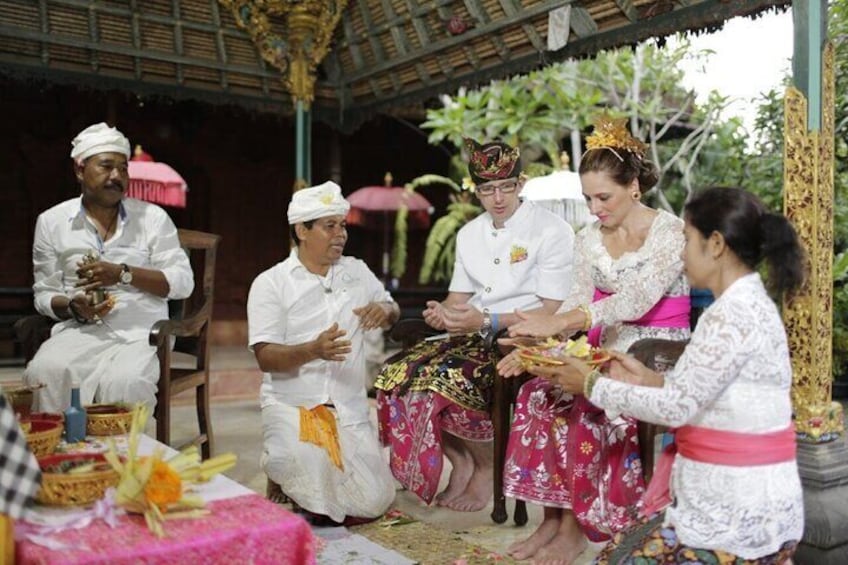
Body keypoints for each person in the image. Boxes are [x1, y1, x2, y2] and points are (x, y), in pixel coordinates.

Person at [528, 187, 804, 565]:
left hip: (737, 514)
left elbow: (677, 408)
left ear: (717, 244)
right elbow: (696, 393)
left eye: (688, 240)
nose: (681, 252)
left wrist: (592, 384)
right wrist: (644, 377)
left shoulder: (732, 316)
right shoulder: (741, 305)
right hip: (734, 499)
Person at [496, 115, 691, 563]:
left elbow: (640, 300)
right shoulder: (588, 238)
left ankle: (578, 528)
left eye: (603, 196)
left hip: (655, 351)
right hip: (606, 344)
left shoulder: (669, 231)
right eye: (588, 198)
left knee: (584, 400)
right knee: (537, 396)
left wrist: (569, 323)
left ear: (634, 187)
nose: (594, 207)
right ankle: (552, 520)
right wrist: (543, 340)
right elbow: (578, 299)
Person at [374, 138, 575, 511]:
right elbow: (458, 300)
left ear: (521, 184)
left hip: (522, 338)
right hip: (474, 332)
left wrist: (486, 319)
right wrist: (443, 315)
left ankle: (486, 466)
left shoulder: (552, 230)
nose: (497, 198)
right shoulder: (469, 235)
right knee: (398, 375)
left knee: (449, 374)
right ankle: (462, 462)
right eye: (487, 190)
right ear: (476, 191)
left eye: (505, 187)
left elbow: (552, 309)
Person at [247, 180, 398, 526]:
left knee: (374, 501)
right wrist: (313, 350)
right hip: (294, 405)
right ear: (302, 230)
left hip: (347, 408)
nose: (341, 234)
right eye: (329, 226)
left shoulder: (356, 271)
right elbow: (266, 357)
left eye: (342, 225)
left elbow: (391, 307)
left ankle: (303, 471)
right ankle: (277, 461)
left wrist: (383, 310)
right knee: (316, 487)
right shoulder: (271, 283)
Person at [24, 123, 194, 413]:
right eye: (106, 166)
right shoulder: (51, 222)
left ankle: (126, 459)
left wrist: (123, 273)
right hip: (79, 333)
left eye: (123, 168)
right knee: (44, 372)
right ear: (80, 169)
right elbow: (45, 293)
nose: (116, 176)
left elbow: (182, 282)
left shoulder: (152, 218)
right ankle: (68, 456)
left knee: (126, 382)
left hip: (141, 333)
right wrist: (72, 305)